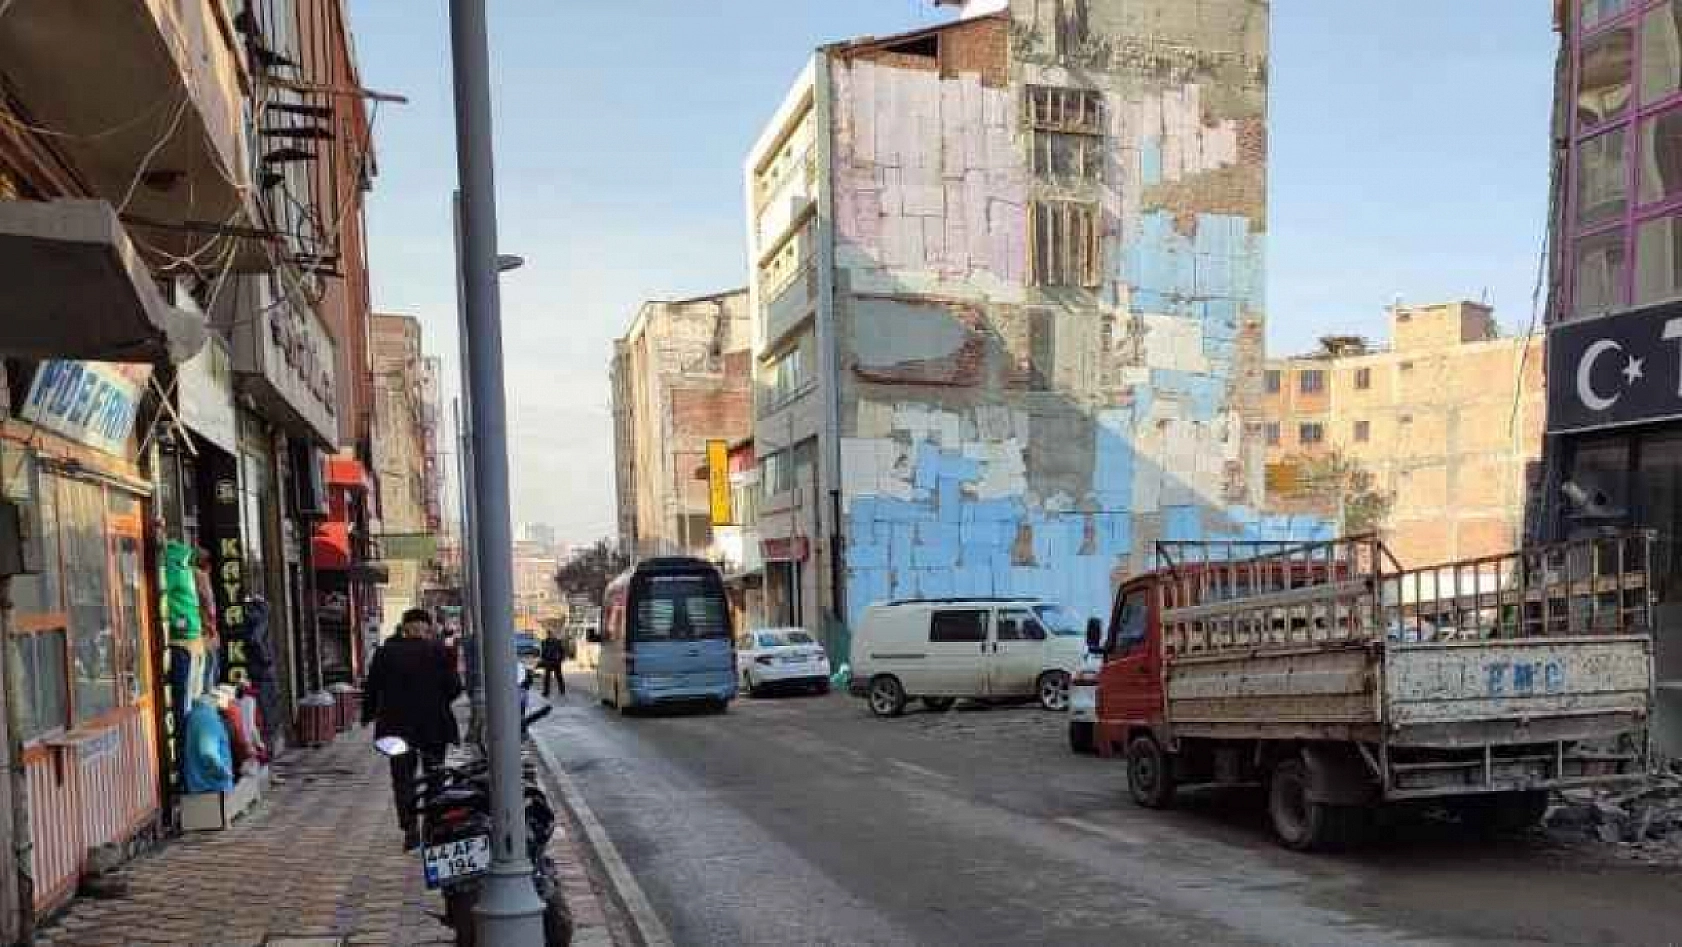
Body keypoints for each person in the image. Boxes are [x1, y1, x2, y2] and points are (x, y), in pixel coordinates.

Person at [362, 608, 463, 850]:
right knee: (435, 777)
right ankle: (432, 826)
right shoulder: (440, 652)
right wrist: (437, 702)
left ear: (404, 628)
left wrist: (368, 715)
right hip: (434, 728)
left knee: (402, 779)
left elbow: (372, 688)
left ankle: (409, 828)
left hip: (397, 730)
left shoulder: (385, 654)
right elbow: (455, 687)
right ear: (427, 629)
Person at [194, 548, 220, 692]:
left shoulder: (190, 574)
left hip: (198, 630)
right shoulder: (201, 577)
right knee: (209, 669)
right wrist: (212, 628)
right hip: (205, 632)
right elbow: (208, 604)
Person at [539, 632, 568, 698]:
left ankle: (562, 690)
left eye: (551, 634)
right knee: (547, 678)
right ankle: (546, 692)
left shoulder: (557, 642)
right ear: (547, 635)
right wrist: (543, 660)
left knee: (559, 676)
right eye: (549, 634)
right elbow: (543, 652)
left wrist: (560, 659)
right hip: (548, 662)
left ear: (553, 634)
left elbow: (562, 651)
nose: (550, 635)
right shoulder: (544, 642)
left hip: (556, 662)